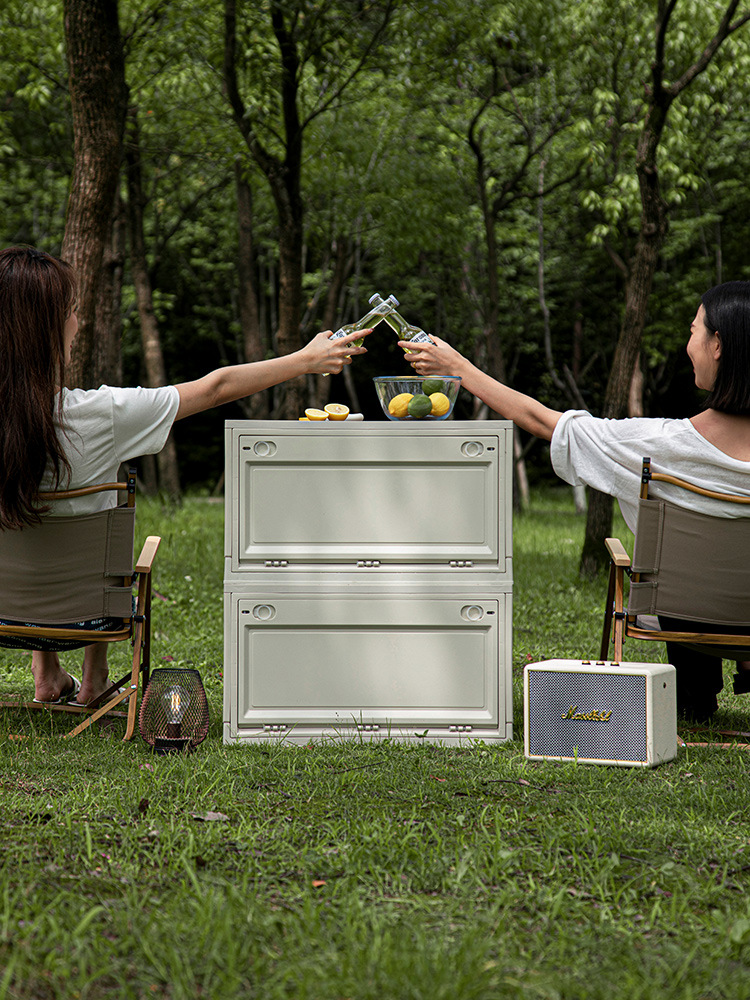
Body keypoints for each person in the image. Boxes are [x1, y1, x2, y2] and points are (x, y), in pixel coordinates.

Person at [0, 246, 371, 706]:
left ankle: (47, 673)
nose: (78, 322)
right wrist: (306, 359)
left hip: (6, 610)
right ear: (47, 330)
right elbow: (215, 387)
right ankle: (94, 679)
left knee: (26, 491)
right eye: (70, 312)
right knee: (102, 504)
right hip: (88, 614)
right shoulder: (102, 415)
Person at [400, 280, 750, 722]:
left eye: (694, 330)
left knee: (686, 571)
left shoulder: (658, 445)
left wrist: (460, 369)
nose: (688, 344)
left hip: (686, 614)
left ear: (717, 345)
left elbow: (543, 421)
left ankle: (693, 699)